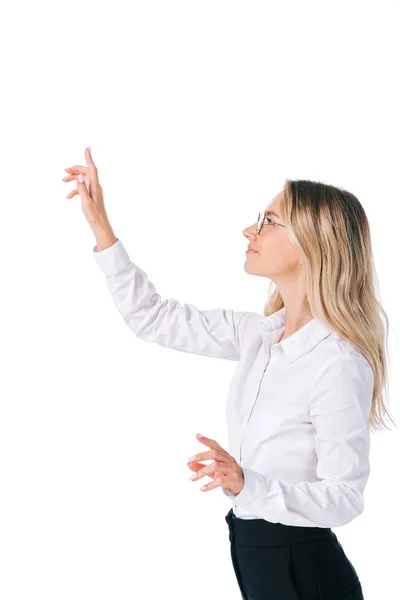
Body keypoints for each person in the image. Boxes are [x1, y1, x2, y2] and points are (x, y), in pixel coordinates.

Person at [63, 148, 394, 600]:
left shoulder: (336, 363)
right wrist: (101, 227)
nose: (248, 230)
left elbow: (345, 498)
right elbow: (153, 318)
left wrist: (246, 483)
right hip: (255, 558)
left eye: (269, 222)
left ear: (314, 244)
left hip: (305, 573)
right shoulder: (259, 335)